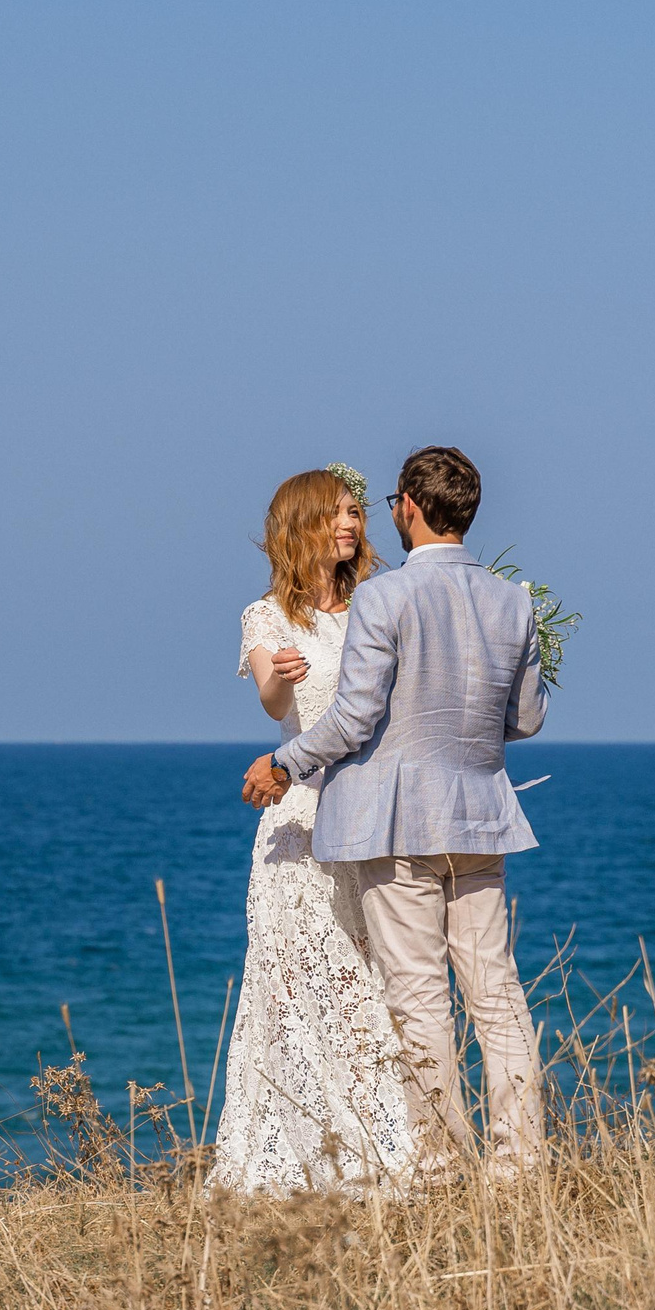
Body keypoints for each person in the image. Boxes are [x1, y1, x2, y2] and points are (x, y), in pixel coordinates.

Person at [244, 446, 548, 1180]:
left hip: (398, 825)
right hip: (481, 819)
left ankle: (441, 1166)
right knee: (497, 995)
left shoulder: (385, 599)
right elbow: (528, 718)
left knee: (417, 998)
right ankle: (521, 1165)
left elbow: (352, 719)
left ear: (409, 508)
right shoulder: (515, 601)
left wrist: (284, 763)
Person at [209, 468, 419, 1195]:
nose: (351, 524)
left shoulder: (377, 604)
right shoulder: (266, 615)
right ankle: (298, 1160)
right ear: (300, 525)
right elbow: (272, 702)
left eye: (356, 511)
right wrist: (282, 679)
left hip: (369, 820)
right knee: (297, 992)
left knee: (370, 988)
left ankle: (384, 1152)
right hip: (299, 823)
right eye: (334, 514)